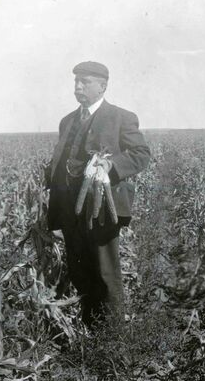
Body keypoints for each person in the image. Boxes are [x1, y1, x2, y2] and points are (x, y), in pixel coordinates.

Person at [44, 61, 151, 328]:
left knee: (106, 273)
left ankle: (113, 340)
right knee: (80, 272)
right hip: (70, 210)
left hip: (102, 209)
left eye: (85, 82)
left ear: (103, 86)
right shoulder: (67, 121)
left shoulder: (120, 117)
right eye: (76, 82)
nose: (78, 87)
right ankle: (92, 330)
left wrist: (111, 165)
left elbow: (140, 154)